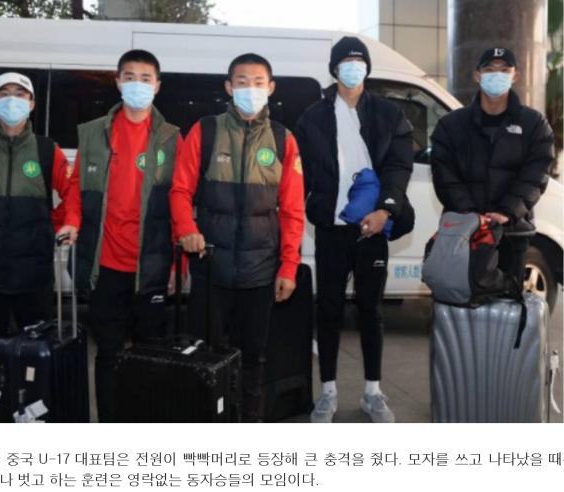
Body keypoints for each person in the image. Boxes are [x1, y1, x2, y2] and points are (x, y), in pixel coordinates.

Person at [170, 53, 305, 422]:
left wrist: (289, 266)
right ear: (229, 88)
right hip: (210, 268)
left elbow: (293, 210)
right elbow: (180, 191)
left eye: (258, 82)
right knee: (205, 357)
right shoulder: (206, 131)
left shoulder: (283, 139)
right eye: (242, 82)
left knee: (253, 359)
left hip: (260, 272)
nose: (250, 89)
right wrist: (187, 230)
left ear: (271, 88)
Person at [295, 37, 414, 423]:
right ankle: (328, 391)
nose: (353, 67)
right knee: (328, 309)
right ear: (334, 69)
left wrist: (385, 210)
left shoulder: (388, 113)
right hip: (331, 228)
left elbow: (399, 166)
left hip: (372, 227)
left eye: (359, 60)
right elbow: (301, 173)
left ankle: (372, 392)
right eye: (345, 61)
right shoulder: (312, 117)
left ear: (367, 67)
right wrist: (304, 209)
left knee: (370, 309)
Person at [73, 49, 183, 422]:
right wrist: (70, 223)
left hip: (150, 266)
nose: (138, 84)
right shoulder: (93, 133)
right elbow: (76, 189)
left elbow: (179, 202)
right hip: (104, 266)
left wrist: (175, 265)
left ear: (158, 86)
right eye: (130, 77)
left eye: (146, 78)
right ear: (118, 82)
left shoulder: (172, 139)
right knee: (108, 354)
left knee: (150, 355)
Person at [0, 72, 79, 393]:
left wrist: (58, 223)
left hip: (32, 275)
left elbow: (72, 192)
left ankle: (31, 411)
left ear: (32, 104)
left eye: (20, 94)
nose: (12, 100)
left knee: (35, 358)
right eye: (5, 94)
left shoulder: (48, 151)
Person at [431, 47, 555, 286]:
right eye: (489, 70)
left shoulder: (534, 124)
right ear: (477, 75)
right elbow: (444, 175)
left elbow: (536, 175)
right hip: (464, 232)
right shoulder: (451, 125)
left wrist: (507, 212)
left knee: (508, 301)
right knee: (460, 298)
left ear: (515, 76)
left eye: (504, 70)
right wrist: (471, 215)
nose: (497, 75)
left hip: (512, 232)